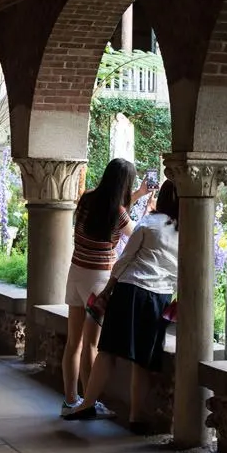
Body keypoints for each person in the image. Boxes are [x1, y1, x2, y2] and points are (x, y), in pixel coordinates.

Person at [64, 181, 179, 429]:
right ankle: (137, 416)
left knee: (108, 352)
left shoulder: (149, 223)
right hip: (160, 296)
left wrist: (107, 290)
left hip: (130, 290)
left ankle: (86, 404)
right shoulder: (188, 230)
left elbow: (126, 258)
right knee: (143, 361)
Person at [60, 158, 152, 415]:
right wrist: (146, 208)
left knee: (73, 343)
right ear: (126, 183)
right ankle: (89, 403)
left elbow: (111, 209)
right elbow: (136, 236)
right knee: (92, 345)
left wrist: (138, 196)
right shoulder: (119, 213)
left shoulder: (88, 198)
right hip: (98, 282)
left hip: (75, 275)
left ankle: (71, 399)